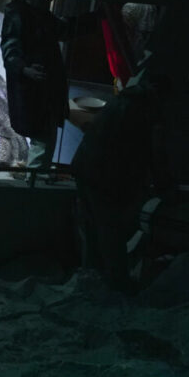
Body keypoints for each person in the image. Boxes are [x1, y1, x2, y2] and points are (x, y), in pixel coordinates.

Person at [70, 73, 174, 292]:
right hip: (104, 176)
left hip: (84, 167)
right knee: (111, 230)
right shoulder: (148, 111)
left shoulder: (121, 100)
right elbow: (155, 154)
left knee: (91, 229)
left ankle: (91, 278)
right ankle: (117, 283)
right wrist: (164, 187)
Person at [0, 0, 71, 171]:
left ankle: (33, 179)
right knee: (42, 144)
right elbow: (10, 50)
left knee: (44, 143)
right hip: (33, 94)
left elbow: (62, 29)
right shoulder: (18, 14)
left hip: (42, 92)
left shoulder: (40, 15)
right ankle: (32, 182)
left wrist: (94, 19)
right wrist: (25, 69)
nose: (49, 1)